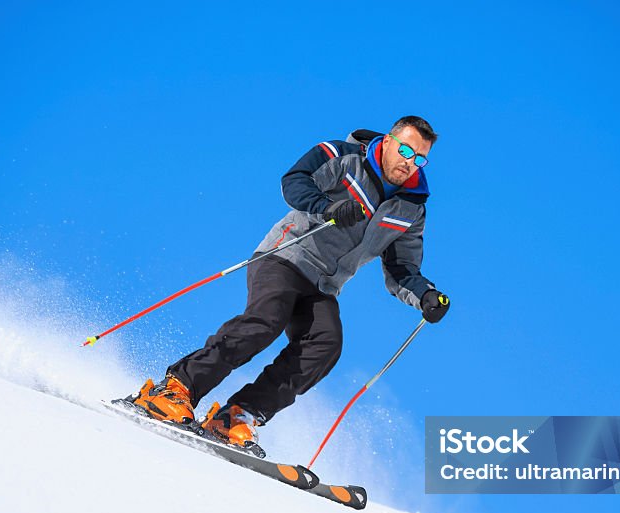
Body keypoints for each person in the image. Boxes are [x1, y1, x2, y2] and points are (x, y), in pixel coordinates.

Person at [126, 115, 450, 446]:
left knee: (324, 345)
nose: (410, 163)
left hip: (323, 284)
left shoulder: (411, 208)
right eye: (406, 151)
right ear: (390, 141)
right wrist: (327, 208)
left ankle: (236, 416)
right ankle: (175, 388)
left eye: (420, 159)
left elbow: (402, 269)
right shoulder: (344, 156)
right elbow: (295, 180)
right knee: (266, 320)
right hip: (286, 256)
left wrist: (425, 296)